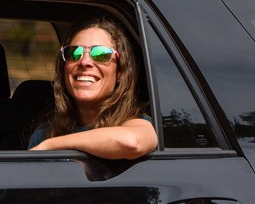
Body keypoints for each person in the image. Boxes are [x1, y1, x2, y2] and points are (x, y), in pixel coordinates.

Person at [28, 16, 158, 159]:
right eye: (74, 52)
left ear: (120, 72)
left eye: (101, 54)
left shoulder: (134, 124)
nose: (85, 62)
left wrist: (50, 145)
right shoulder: (44, 132)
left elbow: (132, 142)